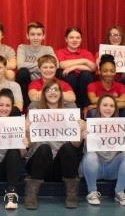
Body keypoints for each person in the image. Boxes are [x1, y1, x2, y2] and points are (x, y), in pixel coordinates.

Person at [24, 80, 85, 209]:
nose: (52, 93)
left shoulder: (69, 112)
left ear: (61, 93)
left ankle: (71, 194)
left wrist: (80, 132)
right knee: (44, 148)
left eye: (56, 89)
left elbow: (75, 144)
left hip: (60, 166)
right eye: (48, 90)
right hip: (38, 164)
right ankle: (31, 195)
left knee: (68, 148)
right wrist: (27, 131)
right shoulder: (35, 111)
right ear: (44, 93)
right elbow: (28, 144)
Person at [80, 94, 125, 206]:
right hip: (93, 168)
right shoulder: (89, 125)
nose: (108, 108)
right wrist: (82, 137)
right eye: (105, 105)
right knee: (91, 155)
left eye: (111, 106)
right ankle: (92, 192)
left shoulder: (123, 126)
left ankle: (120, 192)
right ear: (99, 107)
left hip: (113, 168)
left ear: (115, 109)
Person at [16, 21, 56, 107]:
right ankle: (26, 107)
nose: (35, 37)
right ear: (27, 35)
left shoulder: (48, 49)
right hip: (27, 81)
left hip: (43, 81)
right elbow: (20, 65)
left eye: (39, 34)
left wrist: (30, 66)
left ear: (43, 36)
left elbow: (56, 65)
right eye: (32, 34)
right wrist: (43, 66)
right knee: (22, 72)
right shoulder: (22, 47)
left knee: (59, 73)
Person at [55, 27, 96, 109]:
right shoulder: (59, 52)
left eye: (78, 37)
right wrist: (84, 62)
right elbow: (62, 65)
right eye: (71, 37)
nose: (75, 40)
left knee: (86, 75)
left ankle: (85, 107)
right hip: (68, 82)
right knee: (70, 75)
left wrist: (75, 66)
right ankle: (71, 106)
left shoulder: (86, 53)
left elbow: (93, 68)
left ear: (81, 39)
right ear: (66, 39)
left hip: (83, 85)